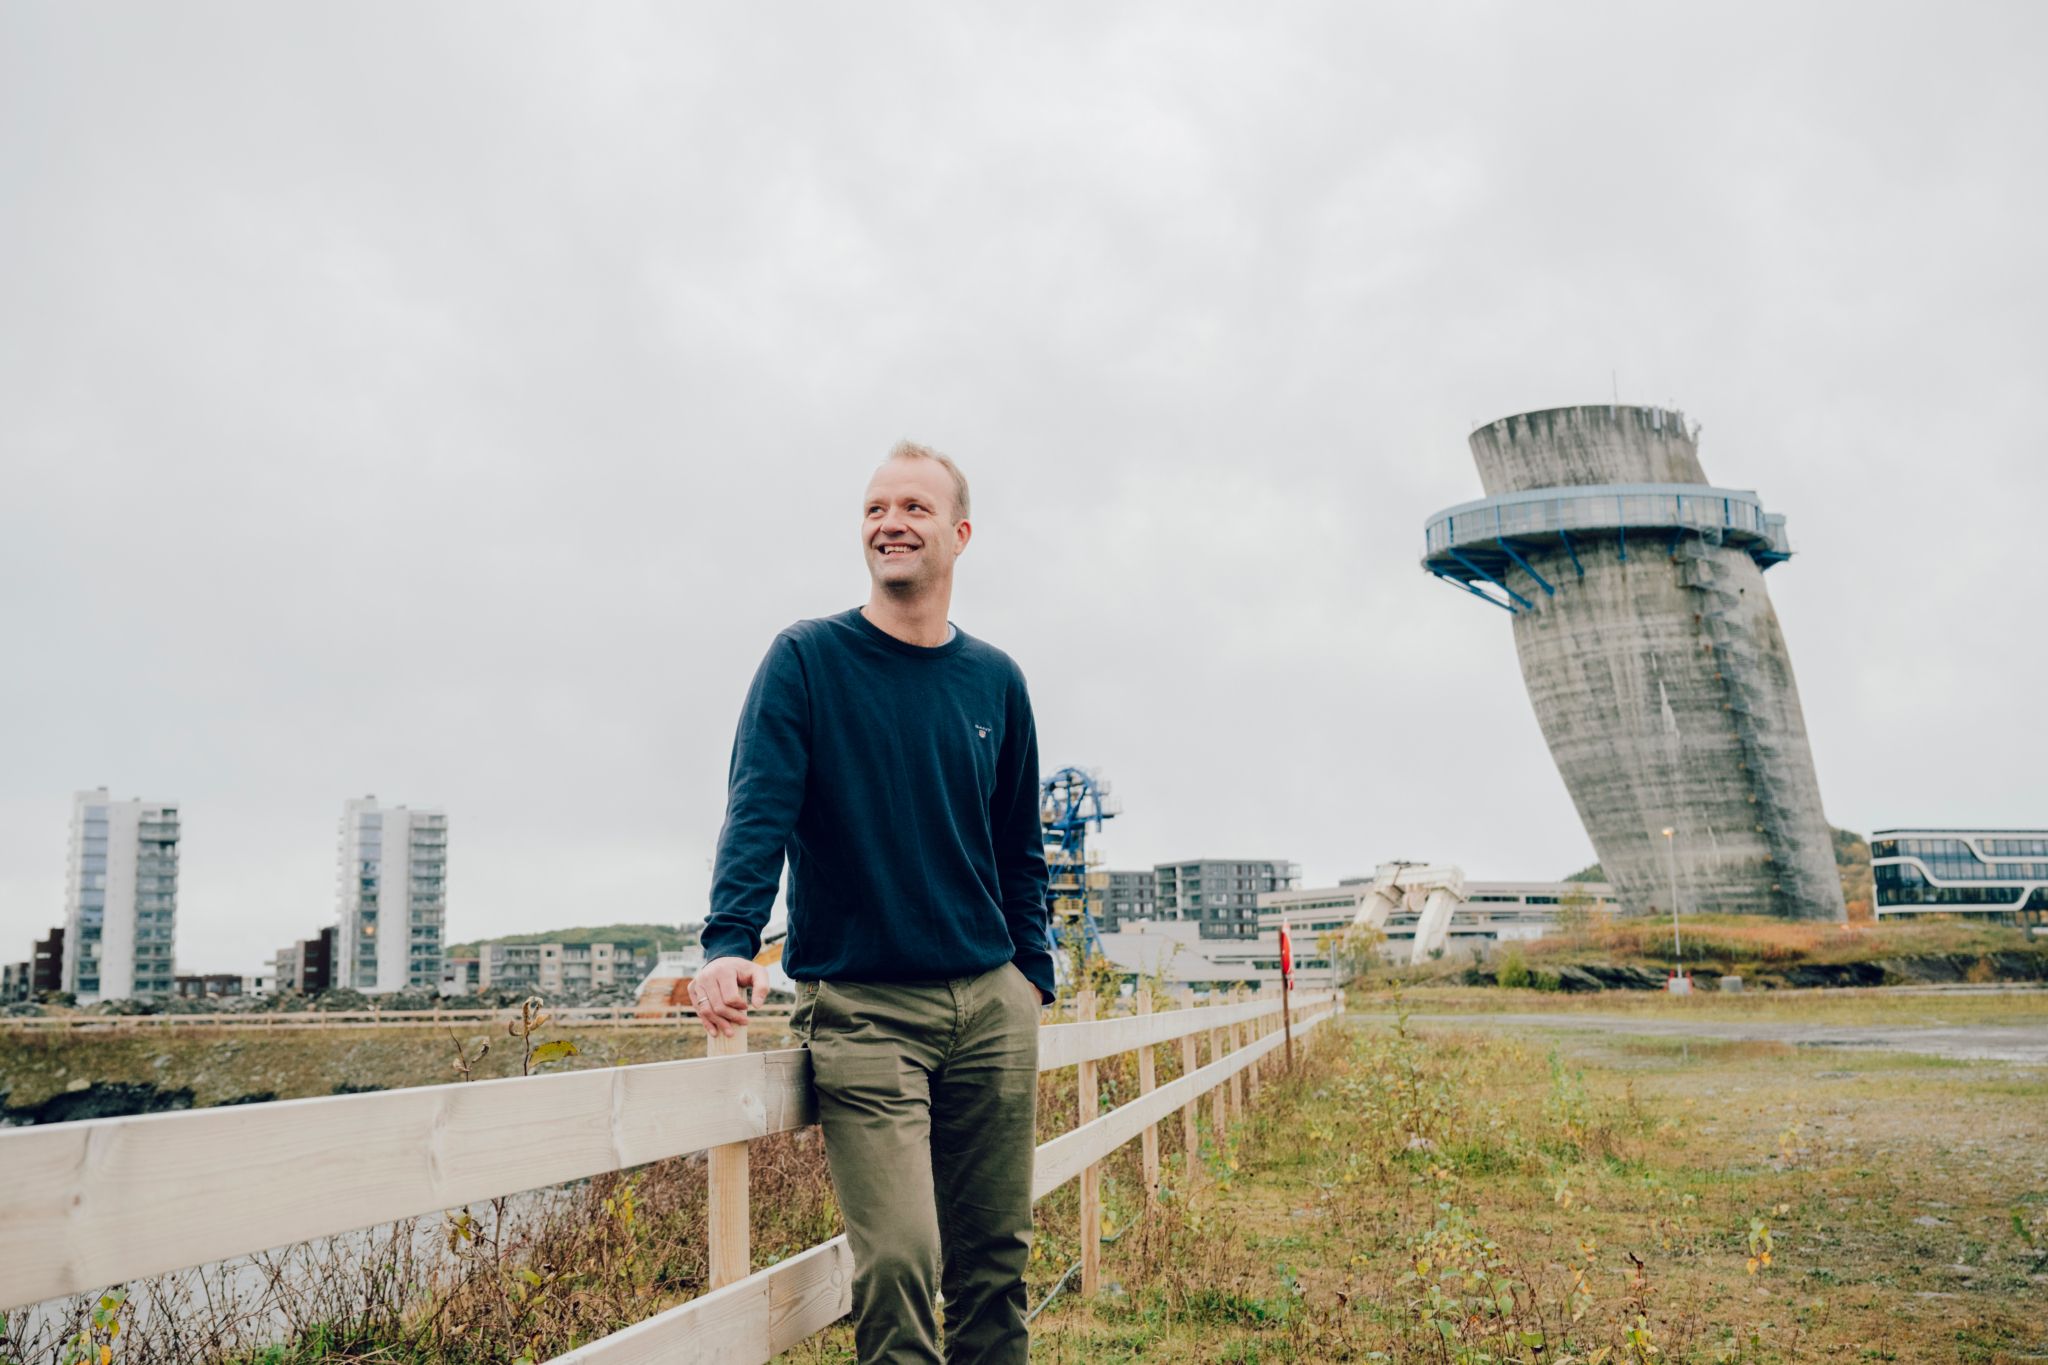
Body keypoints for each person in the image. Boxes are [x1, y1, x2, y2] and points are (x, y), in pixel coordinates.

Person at [695, 440, 1052, 1363]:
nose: (890, 522)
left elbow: (1019, 847)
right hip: (864, 1010)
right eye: (875, 509)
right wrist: (730, 938)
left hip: (989, 1004)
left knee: (995, 1262)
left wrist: (1031, 977)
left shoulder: (997, 682)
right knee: (899, 1257)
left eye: (915, 508)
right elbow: (758, 808)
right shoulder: (808, 659)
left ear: (960, 534)